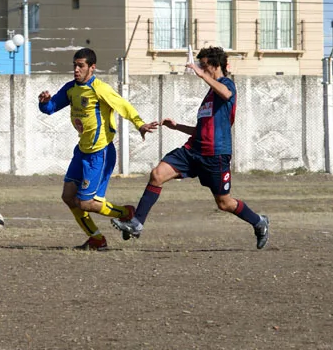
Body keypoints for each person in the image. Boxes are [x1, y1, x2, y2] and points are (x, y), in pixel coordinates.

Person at [111, 46, 269, 249]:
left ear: (215, 66)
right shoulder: (210, 95)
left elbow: (228, 93)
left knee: (224, 203)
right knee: (157, 174)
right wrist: (177, 127)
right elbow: (201, 129)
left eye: (204, 66)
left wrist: (202, 75)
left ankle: (259, 222)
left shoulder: (226, 84)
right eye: (200, 66)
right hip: (193, 151)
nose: (200, 70)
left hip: (215, 155)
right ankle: (137, 223)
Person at [38, 48, 158, 251]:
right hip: (81, 152)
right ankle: (96, 239)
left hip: (99, 154)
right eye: (74, 65)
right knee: (68, 197)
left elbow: (123, 105)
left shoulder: (99, 88)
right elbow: (50, 109)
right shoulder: (71, 89)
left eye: (81, 66)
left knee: (85, 203)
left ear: (92, 68)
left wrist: (140, 124)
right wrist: (44, 103)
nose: (76, 69)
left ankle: (125, 213)